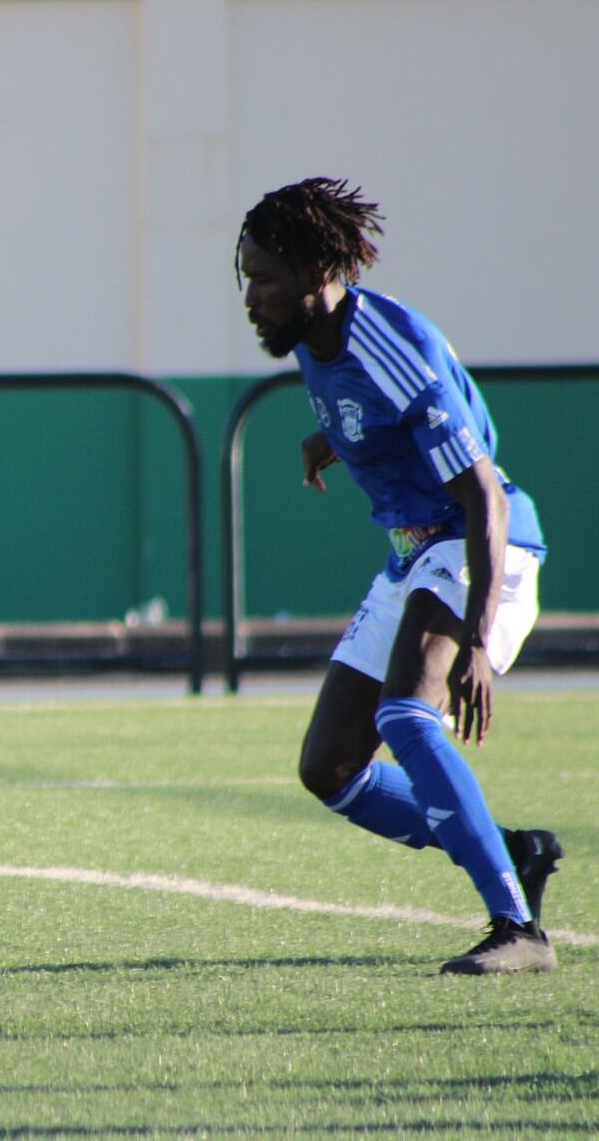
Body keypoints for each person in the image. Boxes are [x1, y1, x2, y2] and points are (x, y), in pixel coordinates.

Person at [235, 177, 561, 976]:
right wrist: (334, 446)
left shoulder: (390, 351)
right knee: (330, 769)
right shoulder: (316, 338)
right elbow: (369, 421)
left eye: (265, 278)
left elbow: (481, 493)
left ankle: (518, 929)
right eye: (245, 275)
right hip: (417, 553)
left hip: (482, 544)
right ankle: (508, 851)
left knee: (409, 715)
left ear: (316, 272)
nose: (251, 296)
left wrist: (479, 642)